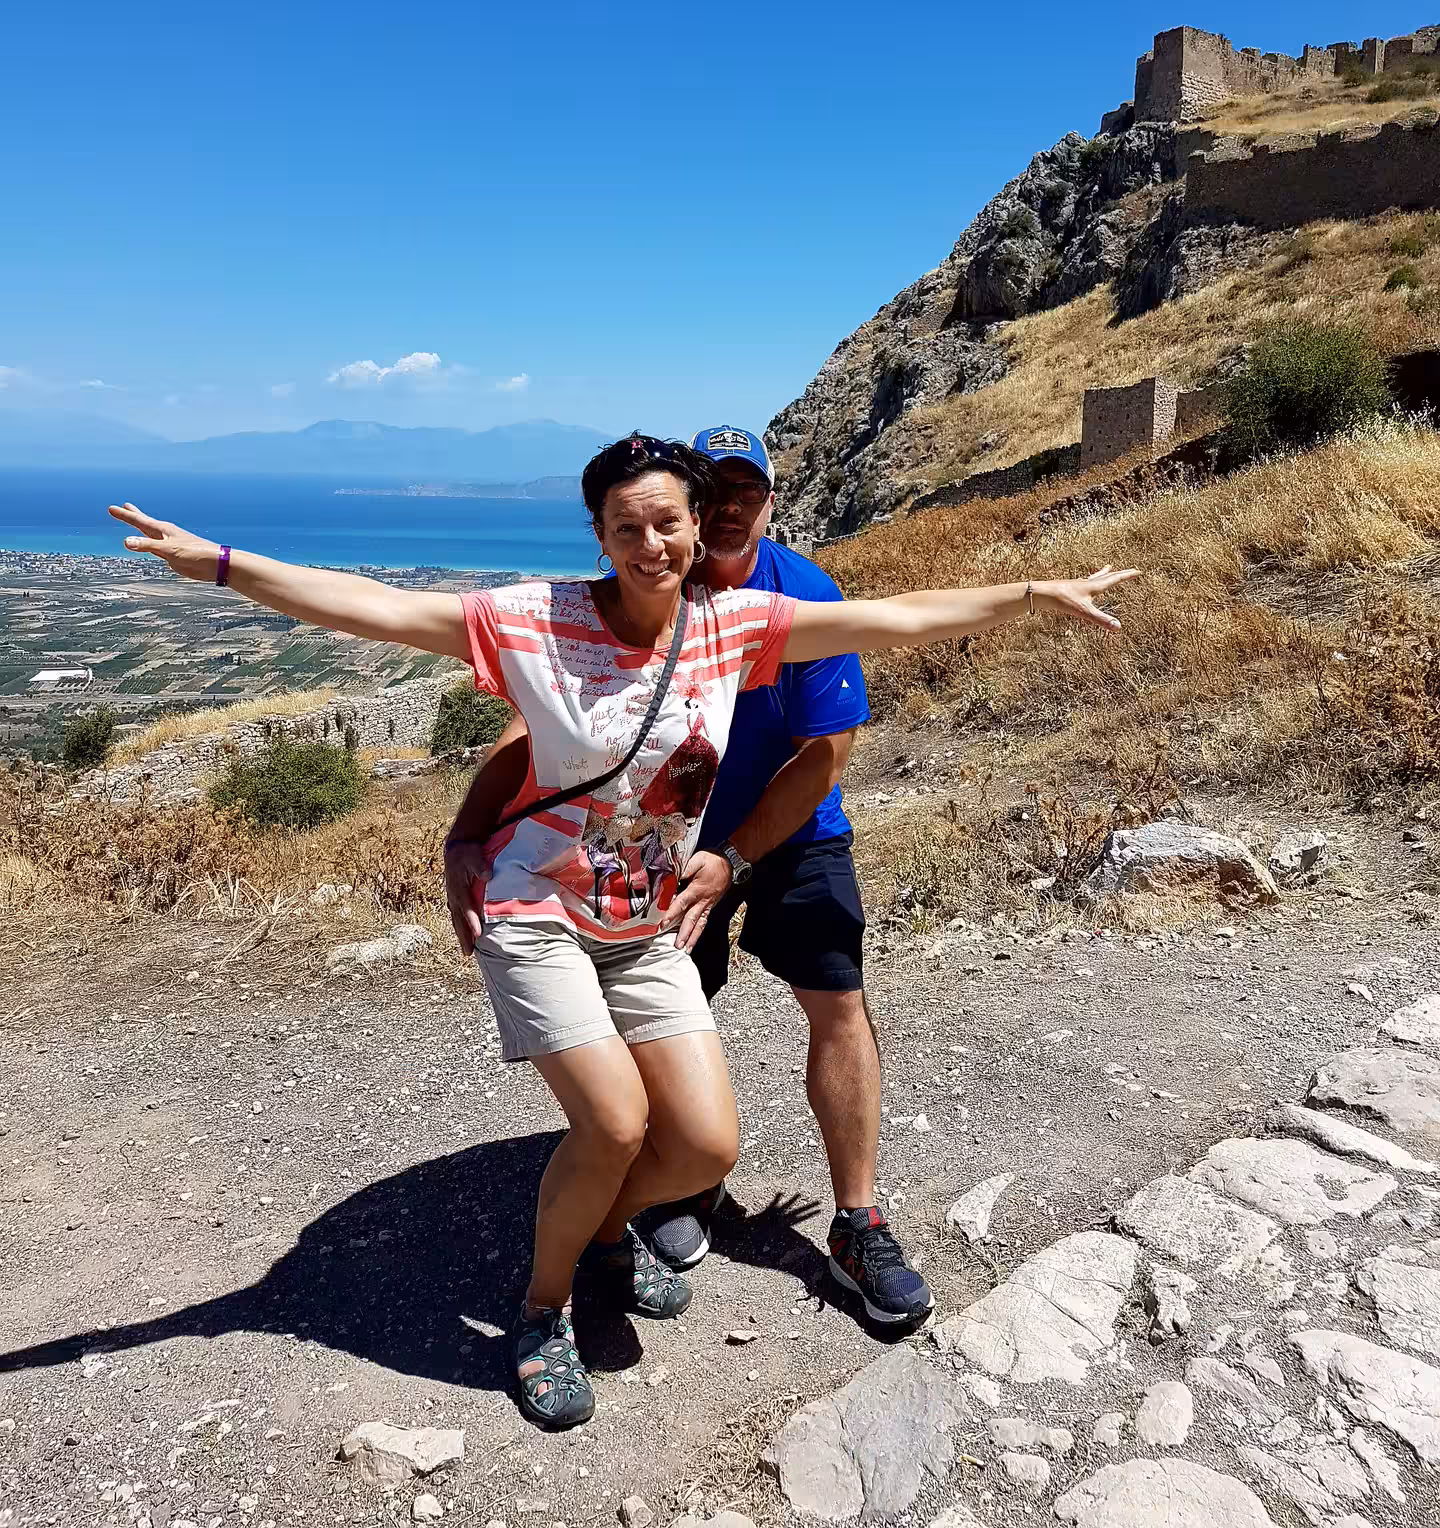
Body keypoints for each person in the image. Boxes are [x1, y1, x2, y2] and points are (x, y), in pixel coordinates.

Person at [108, 441, 1135, 1431]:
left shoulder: (736, 625)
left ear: (698, 530)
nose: (652, 544)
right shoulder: (535, 618)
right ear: (601, 533)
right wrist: (223, 566)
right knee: (613, 1124)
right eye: (628, 526)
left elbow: (899, 618)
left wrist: (1034, 594)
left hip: (641, 922)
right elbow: (379, 609)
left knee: (701, 1143)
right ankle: (542, 1310)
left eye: (669, 524)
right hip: (537, 910)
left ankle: (606, 1236)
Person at [445, 424, 930, 1331]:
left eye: (750, 489)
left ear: (765, 501)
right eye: (720, 491)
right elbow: (549, 727)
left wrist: (734, 857)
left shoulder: (797, 597)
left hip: (780, 833)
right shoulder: (653, 583)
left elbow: (826, 755)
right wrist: (469, 832)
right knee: (640, 1073)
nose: (735, 506)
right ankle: (641, 1191)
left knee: (836, 1001)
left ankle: (858, 1219)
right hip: (652, 854)